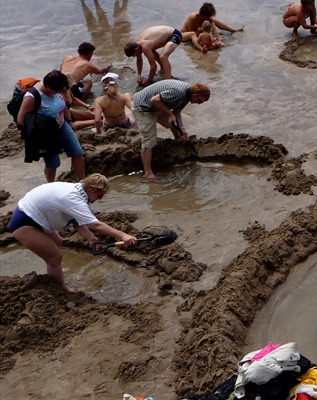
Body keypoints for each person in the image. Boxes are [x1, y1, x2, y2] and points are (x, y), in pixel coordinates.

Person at [9, 174, 138, 292]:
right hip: (24, 222)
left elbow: (76, 222)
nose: (99, 199)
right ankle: (63, 289)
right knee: (54, 257)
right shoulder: (72, 198)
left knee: (57, 242)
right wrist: (122, 235)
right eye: (100, 196)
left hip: (36, 217)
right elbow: (95, 225)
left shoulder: (77, 190)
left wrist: (90, 237)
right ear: (92, 190)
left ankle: (56, 269)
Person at [15, 71, 87, 182]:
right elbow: (21, 120)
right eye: (57, 91)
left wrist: (69, 121)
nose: (59, 93)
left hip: (62, 125)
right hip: (46, 134)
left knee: (77, 152)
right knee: (54, 163)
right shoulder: (32, 97)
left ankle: (83, 182)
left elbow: (63, 107)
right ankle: (50, 185)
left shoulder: (58, 89)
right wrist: (40, 127)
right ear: (48, 86)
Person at [131, 79, 210, 180]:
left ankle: (178, 141)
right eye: (199, 101)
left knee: (173, 123)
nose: (198, 104)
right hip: (143, 107)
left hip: (157, 106)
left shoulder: (187, 95)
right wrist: (169, 114)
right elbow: (154, 100)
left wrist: (182, 130)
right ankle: (148, 172)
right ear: (194, 96)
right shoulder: (179, 93)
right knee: (149, 140)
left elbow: (177, 113)